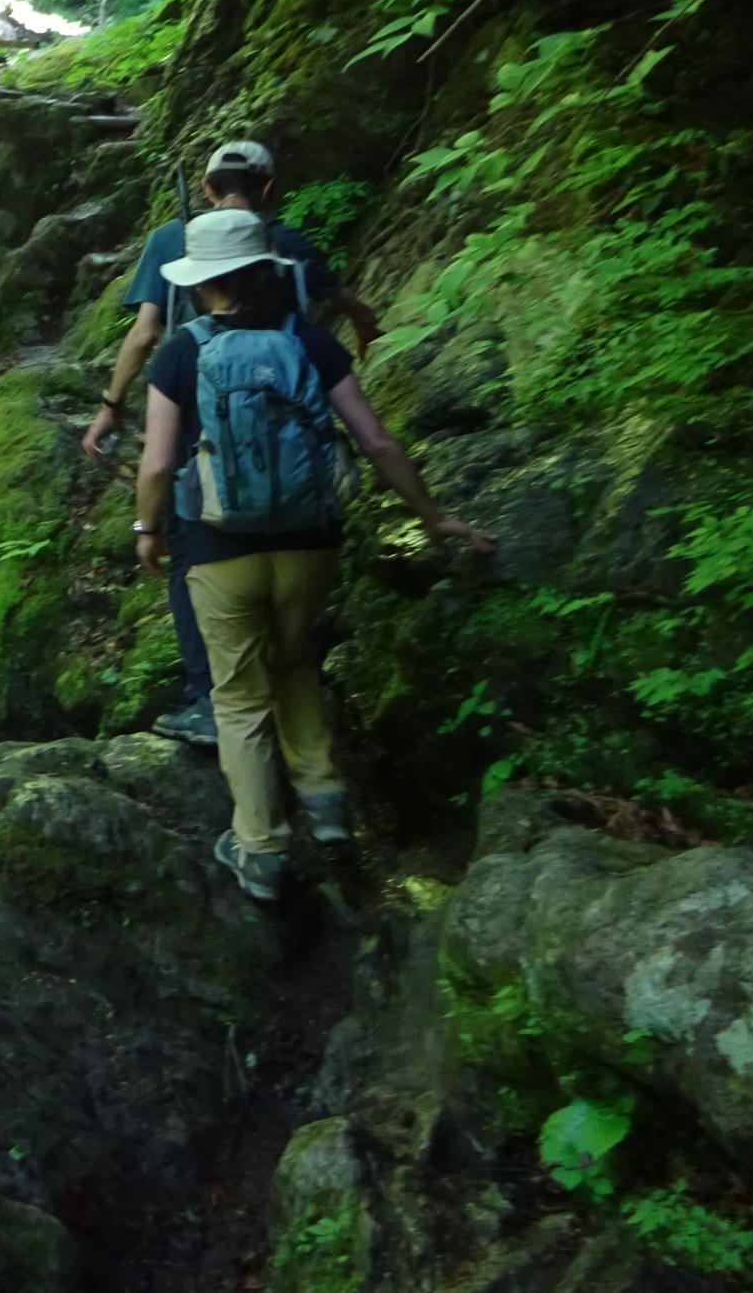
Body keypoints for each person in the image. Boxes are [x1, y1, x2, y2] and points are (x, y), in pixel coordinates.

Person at [133, 209, 496, 903]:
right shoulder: (308, 338)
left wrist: (146, 530)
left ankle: (262, 848)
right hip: (310, 540)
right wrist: (434, 515)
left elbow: (155, 463)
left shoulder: (181, 349)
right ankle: (326, 803)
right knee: (295, 660)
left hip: (217, 547)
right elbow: (377, 442)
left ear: (203, 282)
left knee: (237, 696)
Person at [83, 141, 383, 751]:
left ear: (204, 184)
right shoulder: (291, 244)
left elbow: (145, 333)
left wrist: (111, 405)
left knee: (193, 561)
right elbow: (345, 303)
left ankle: (206, 699)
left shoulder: (175, 239)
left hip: (203, 437)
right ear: (271, 188)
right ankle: (291, 701)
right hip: (298, 449)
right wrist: (363, 326)